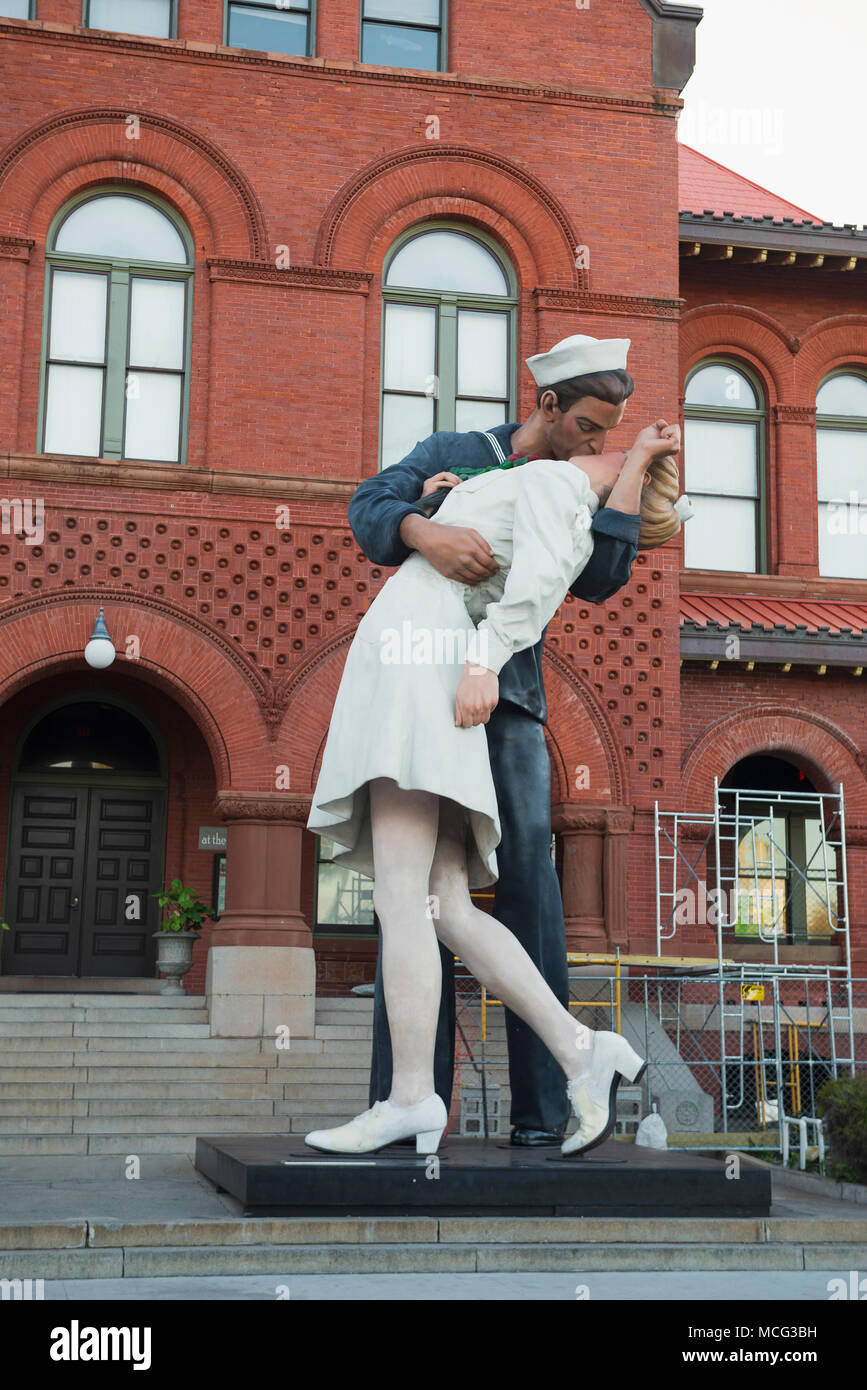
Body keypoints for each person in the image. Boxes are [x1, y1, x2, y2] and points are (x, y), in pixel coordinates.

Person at [304, 378, 690, 1156]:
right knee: (440, 901)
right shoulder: (506, 471)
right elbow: (383, 509)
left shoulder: (554, 484)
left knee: (404, 896)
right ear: (547, 405)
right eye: (593, 430)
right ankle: (578, 1050)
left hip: (424, 660)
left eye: (613, 445)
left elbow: (544, 585)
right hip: (424, 651)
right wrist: (435, 509)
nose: (601, 446)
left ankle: (414, 1098)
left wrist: (481, 662)